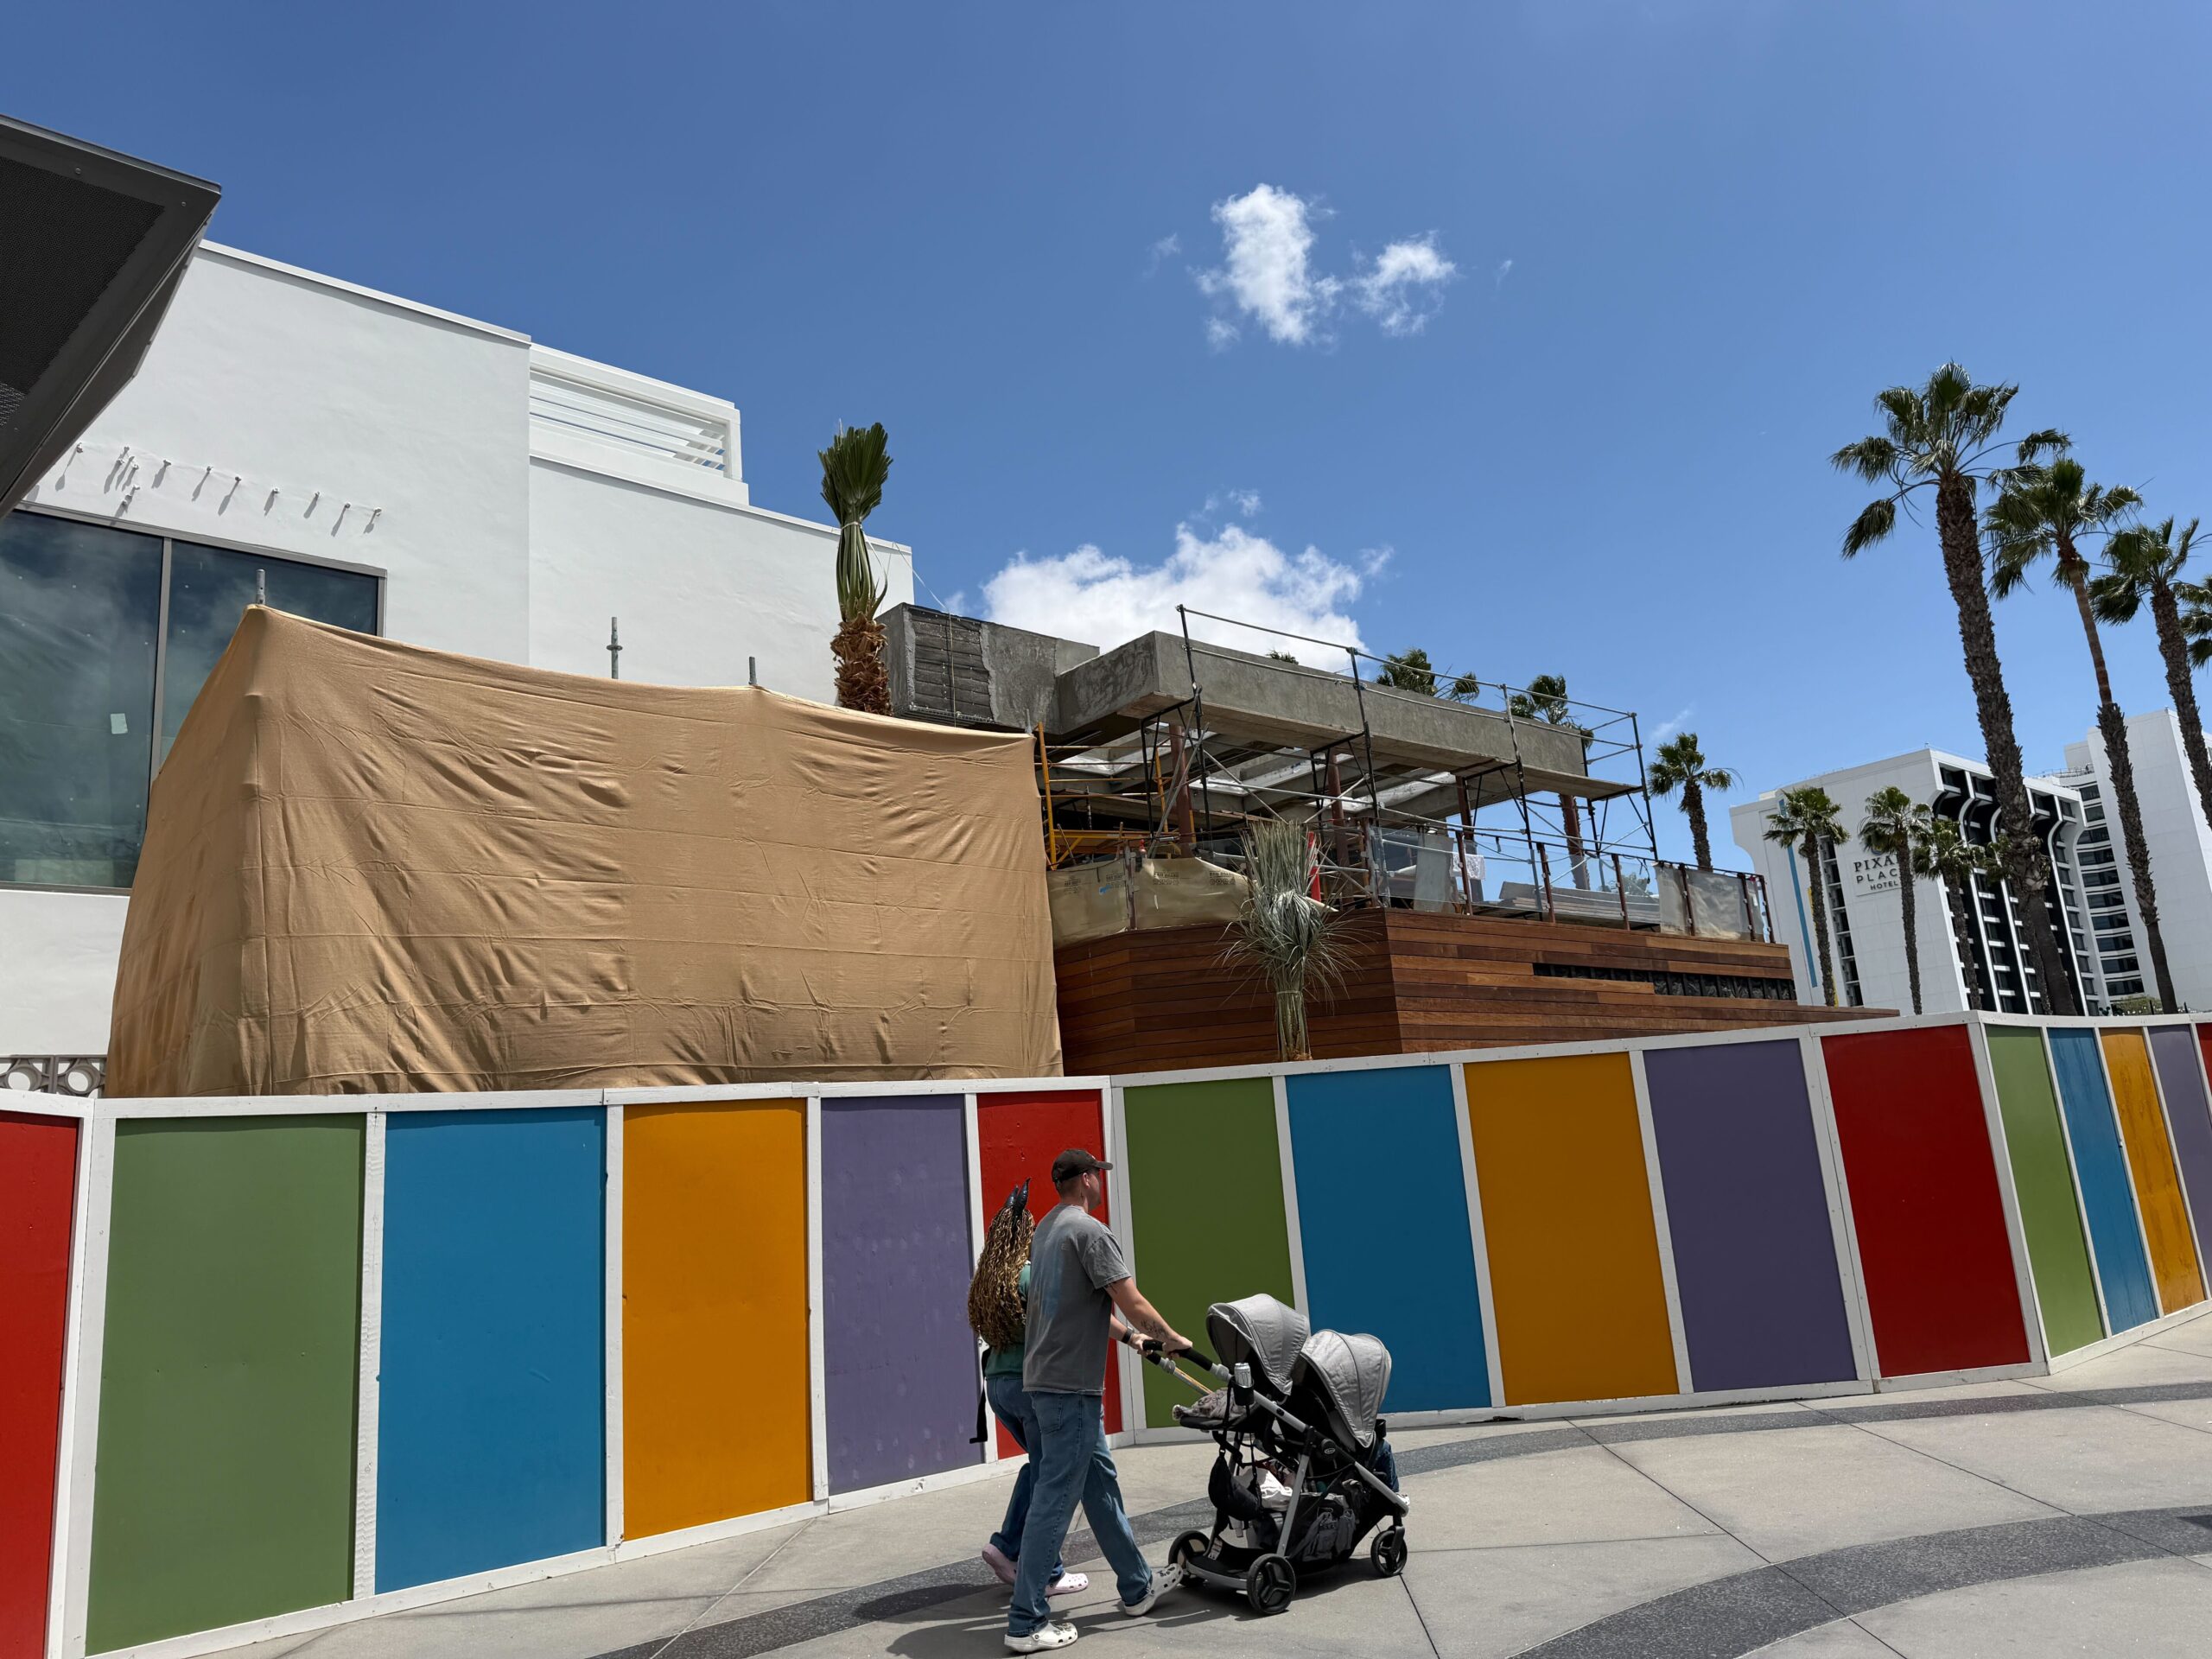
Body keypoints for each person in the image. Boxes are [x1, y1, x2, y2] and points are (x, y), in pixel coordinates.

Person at [1005, 1148, 1192, 1654]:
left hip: (1047, 1382)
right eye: (1099, 1175)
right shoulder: (1091, 1232)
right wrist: (1173, 1337)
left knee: (1099, 1485)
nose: (1101, 1182)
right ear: (1087, 1179)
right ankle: (1026, 1622)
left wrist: (1133, 1338)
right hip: (1070, 1390)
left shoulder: (1046, 1232)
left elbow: (1083, 1307)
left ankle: (1136, 1587)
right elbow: (1129, 1298)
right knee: (1054, 1502)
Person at [969, 1184, 1088, 1599]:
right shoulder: (1028, 1276)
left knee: (1038, 1468)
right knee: (1053, 1477)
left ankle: (1003, 1548)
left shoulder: (987, 1280)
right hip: (1030, 1385)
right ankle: (1048, 1571)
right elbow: (1060, 1321)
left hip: (998, 1386)